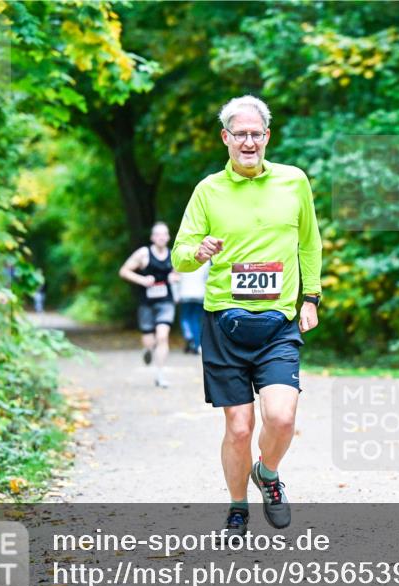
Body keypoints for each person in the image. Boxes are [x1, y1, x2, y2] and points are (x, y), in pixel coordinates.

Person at [172, 95, 322, 537]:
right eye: (240, 134)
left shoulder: (294, 182)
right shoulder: (207, 191)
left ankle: (268, 474)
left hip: (278, 323)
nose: (249, 141)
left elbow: (309, 244)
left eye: (257, 133)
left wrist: (310, 296)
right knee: (239, 427)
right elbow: (180, 256)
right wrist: (197, 252)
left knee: (281, 418)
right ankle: (237, 508)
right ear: (226, 138)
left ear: (268, 137)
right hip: (224, 322)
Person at [118, 222, 180, 388]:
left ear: (168, 237)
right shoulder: (143, 254)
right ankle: (148, 350)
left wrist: (175, 278)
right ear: (153, 237)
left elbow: (178, 273)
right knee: (149, 340)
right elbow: (124, 271)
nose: (161, 237)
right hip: (146, 303)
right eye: (158, 234)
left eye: (164, 234)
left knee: (162, 336)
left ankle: (160, 375)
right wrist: (142, 280)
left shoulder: (173, 254)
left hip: (166, 302)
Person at [177, 261, 210, 354]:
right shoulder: (206, 259)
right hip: (200, 293)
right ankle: (197, 344)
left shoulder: (183, 256)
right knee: (196, 320)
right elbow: (207, 277)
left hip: (185, 293)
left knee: (185, 317)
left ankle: (189, 337)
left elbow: (176, 276)